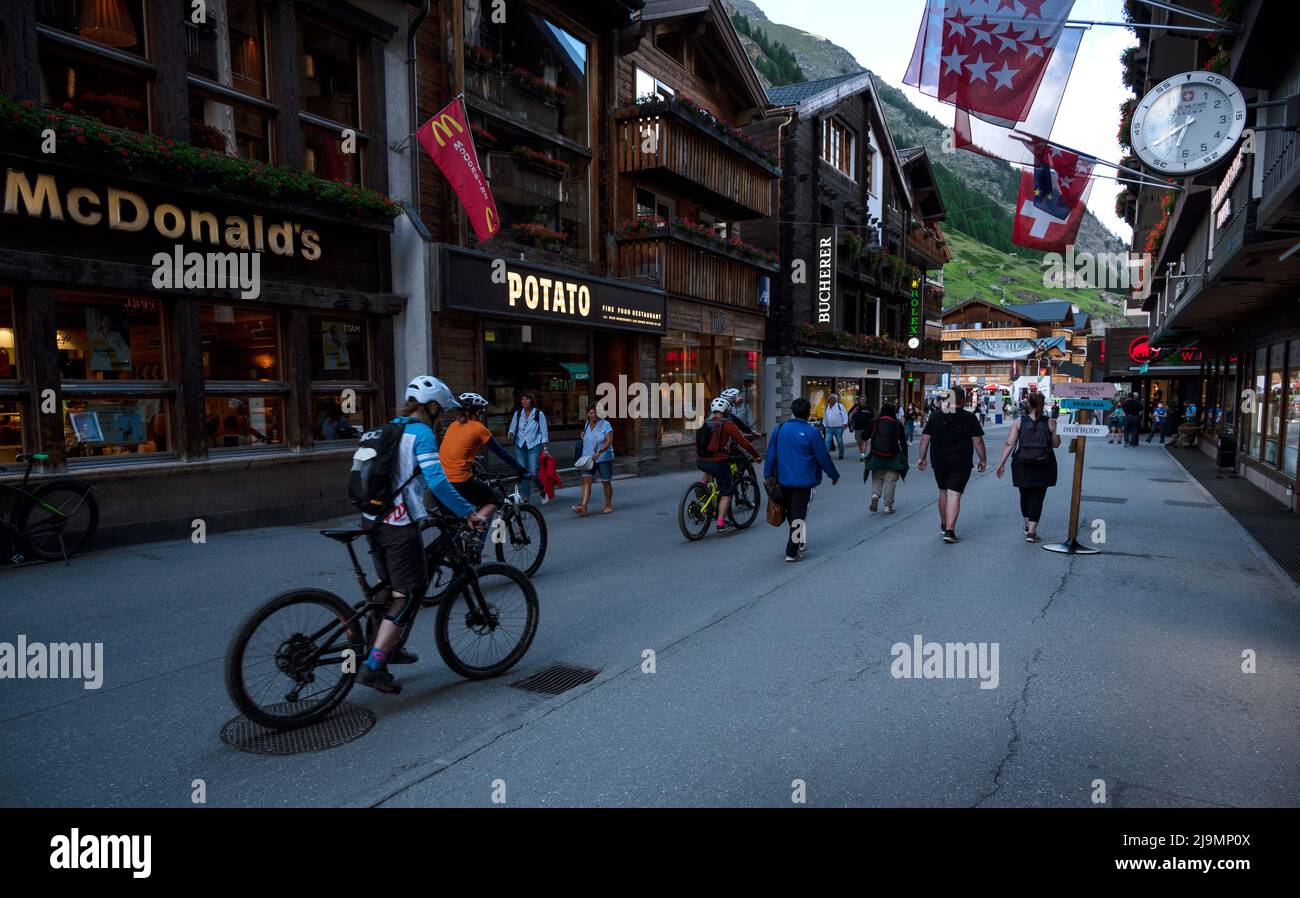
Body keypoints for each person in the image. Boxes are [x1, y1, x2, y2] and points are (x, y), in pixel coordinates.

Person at [359, 376, 491, 694]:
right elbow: (437, 480)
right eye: (441, 411)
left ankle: (387, 646)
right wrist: (468, 512)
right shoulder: (421, 433)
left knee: (391, 590)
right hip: (398, 524)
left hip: (371, 519)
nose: (442, 416)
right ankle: (374, 665)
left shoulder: (388, 428)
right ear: (431, 406)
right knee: (411, 593)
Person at [439, 392, 531, 531]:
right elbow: (501, 453)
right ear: (477, 412)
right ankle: (477, 523)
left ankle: (461, 546)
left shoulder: (453, 426)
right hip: (460, 481)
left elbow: (456, 451)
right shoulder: (478, 428)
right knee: (496, 498)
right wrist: (522, 470)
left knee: (452, 526)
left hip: (442, 480)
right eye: (481, 412)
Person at [764, 397, 839, 562]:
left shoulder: (780, 429)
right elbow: (823, 457)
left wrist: (767, 474)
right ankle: (792, 550)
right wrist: (833, 475)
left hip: (782, 479)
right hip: (803, 481)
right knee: (798, 515)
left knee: (792, 515)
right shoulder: (812, 432)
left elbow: (771, 454)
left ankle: (797, 542)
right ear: (808, 413)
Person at [917, 385, 986, 544]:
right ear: (962, 400)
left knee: (943, 492)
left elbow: (925, 438)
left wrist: (922, 457)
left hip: (939, 461)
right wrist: (982, 459)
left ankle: (943, 524)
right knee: (954, 494)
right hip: (961, 462)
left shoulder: (935, 416)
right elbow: (978, 441)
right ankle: (949, 530)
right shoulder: (969, 417)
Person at [994, 392, 1060, 543]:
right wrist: (1055, 433)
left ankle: (1026, 524)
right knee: (1037, 497)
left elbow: (1009, 443)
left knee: (1024, 495)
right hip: (1044, 464)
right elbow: (1056, 444)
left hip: (1021, 464)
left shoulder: (1019, 421)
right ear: (1043, 404)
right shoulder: (1051, 422)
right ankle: (1032, 532)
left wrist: (1000, 464)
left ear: (1028, 404)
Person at [695, 397, 762, 534]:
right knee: (727, 491)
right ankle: (720, 523)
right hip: (718, 461)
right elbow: (744, 442)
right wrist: (756, 455)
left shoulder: (706, 423)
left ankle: (701, 487)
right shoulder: (727, 424)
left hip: (701, 461)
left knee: (709, 471)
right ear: (725, 411)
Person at [864, 402, 908, 514]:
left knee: (877, 477)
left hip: (876, 454)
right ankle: (888, 506)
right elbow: (903, 442)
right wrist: (905, 457)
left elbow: (864, 436)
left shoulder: (874, 422)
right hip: (893, 455)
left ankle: (875, 495)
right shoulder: (897, 424)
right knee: (890, 480)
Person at [507, 392, 549, 503]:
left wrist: (545, 447)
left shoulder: (538, 414)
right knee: (523, 471)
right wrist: (510, 433)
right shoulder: (518, 413)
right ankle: (526, 497)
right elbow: (512, 427)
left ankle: (542, 490)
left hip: (534, 445)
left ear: (532, 401)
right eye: (522, 399)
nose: (524, 401)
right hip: (520, 445)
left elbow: (543, 430)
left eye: (527, 399)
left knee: (533, 472)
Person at [574, 404, 614, 515]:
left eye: (595, 412)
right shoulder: (587, 424)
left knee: (605, 482)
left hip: (603, 457)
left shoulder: (606, 424)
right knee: (586, 481)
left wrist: (599, 452)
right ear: (588, 414)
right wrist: (583, 435)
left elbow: (608, 441)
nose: (593, 415)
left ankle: (608, 505)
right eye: (591, 413)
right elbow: (588, 437)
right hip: (588, 457)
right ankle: (583, 507)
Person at [822, 393, 849, 460]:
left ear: (835, 400)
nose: (831, 400)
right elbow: (825, 416)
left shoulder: (840, 406)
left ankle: (841, 454)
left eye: (832, 398)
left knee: (839, 442)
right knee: (827, 441)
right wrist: (824, 425)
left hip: (838, 428)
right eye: (830, 398)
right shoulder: (827, 406)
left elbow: (845, 415)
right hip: (829, 428)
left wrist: (845, 423)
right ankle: (826, 455)